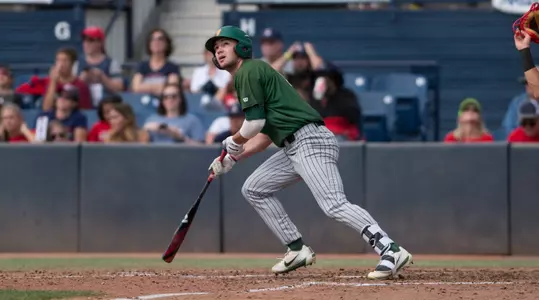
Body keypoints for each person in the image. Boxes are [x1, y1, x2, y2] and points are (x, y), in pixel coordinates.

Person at [205, 26, 412, 279]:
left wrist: (233, 141)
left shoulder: (248, 70)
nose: (219, 50)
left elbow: (253, 125)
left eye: (225, 44)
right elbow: (264, 135)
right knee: (254, 188)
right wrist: (233, 158)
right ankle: (296, 248)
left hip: (309, 140)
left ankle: (389, 248)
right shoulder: (252, 74)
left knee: (334, 204)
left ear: (241, 47)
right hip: (294, 145)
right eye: (216, 48)